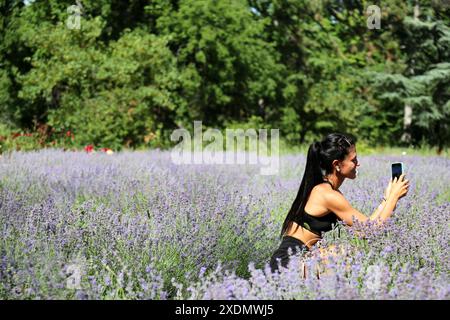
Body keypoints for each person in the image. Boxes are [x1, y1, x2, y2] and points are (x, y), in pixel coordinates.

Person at [269, 133, 410, 274]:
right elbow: (371, 231)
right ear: (337, 164)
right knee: (345, 253)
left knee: (347, 254)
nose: (358, 163)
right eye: (353, 160)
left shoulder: (327, 190)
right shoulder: (327, 194)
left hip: (297, 259)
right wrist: (394, 197)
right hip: (289, 262)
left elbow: (363, 230)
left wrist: (387, 199)